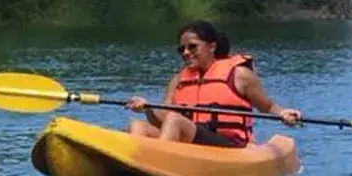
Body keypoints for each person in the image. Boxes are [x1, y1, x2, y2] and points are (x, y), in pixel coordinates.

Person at [125, 21, 300, 146]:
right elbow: (161, 119)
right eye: (181, 49)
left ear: (212, 47)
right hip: (191, 138)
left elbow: (266, 106)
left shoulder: (239, 75)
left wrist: (283, 113)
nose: (186, 53)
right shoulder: (178, 80)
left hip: (228, 143)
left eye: (192, 47)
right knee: (137, 125)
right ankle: (131, 167)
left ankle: (155, 164)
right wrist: (147, 108)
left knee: (175, 121)